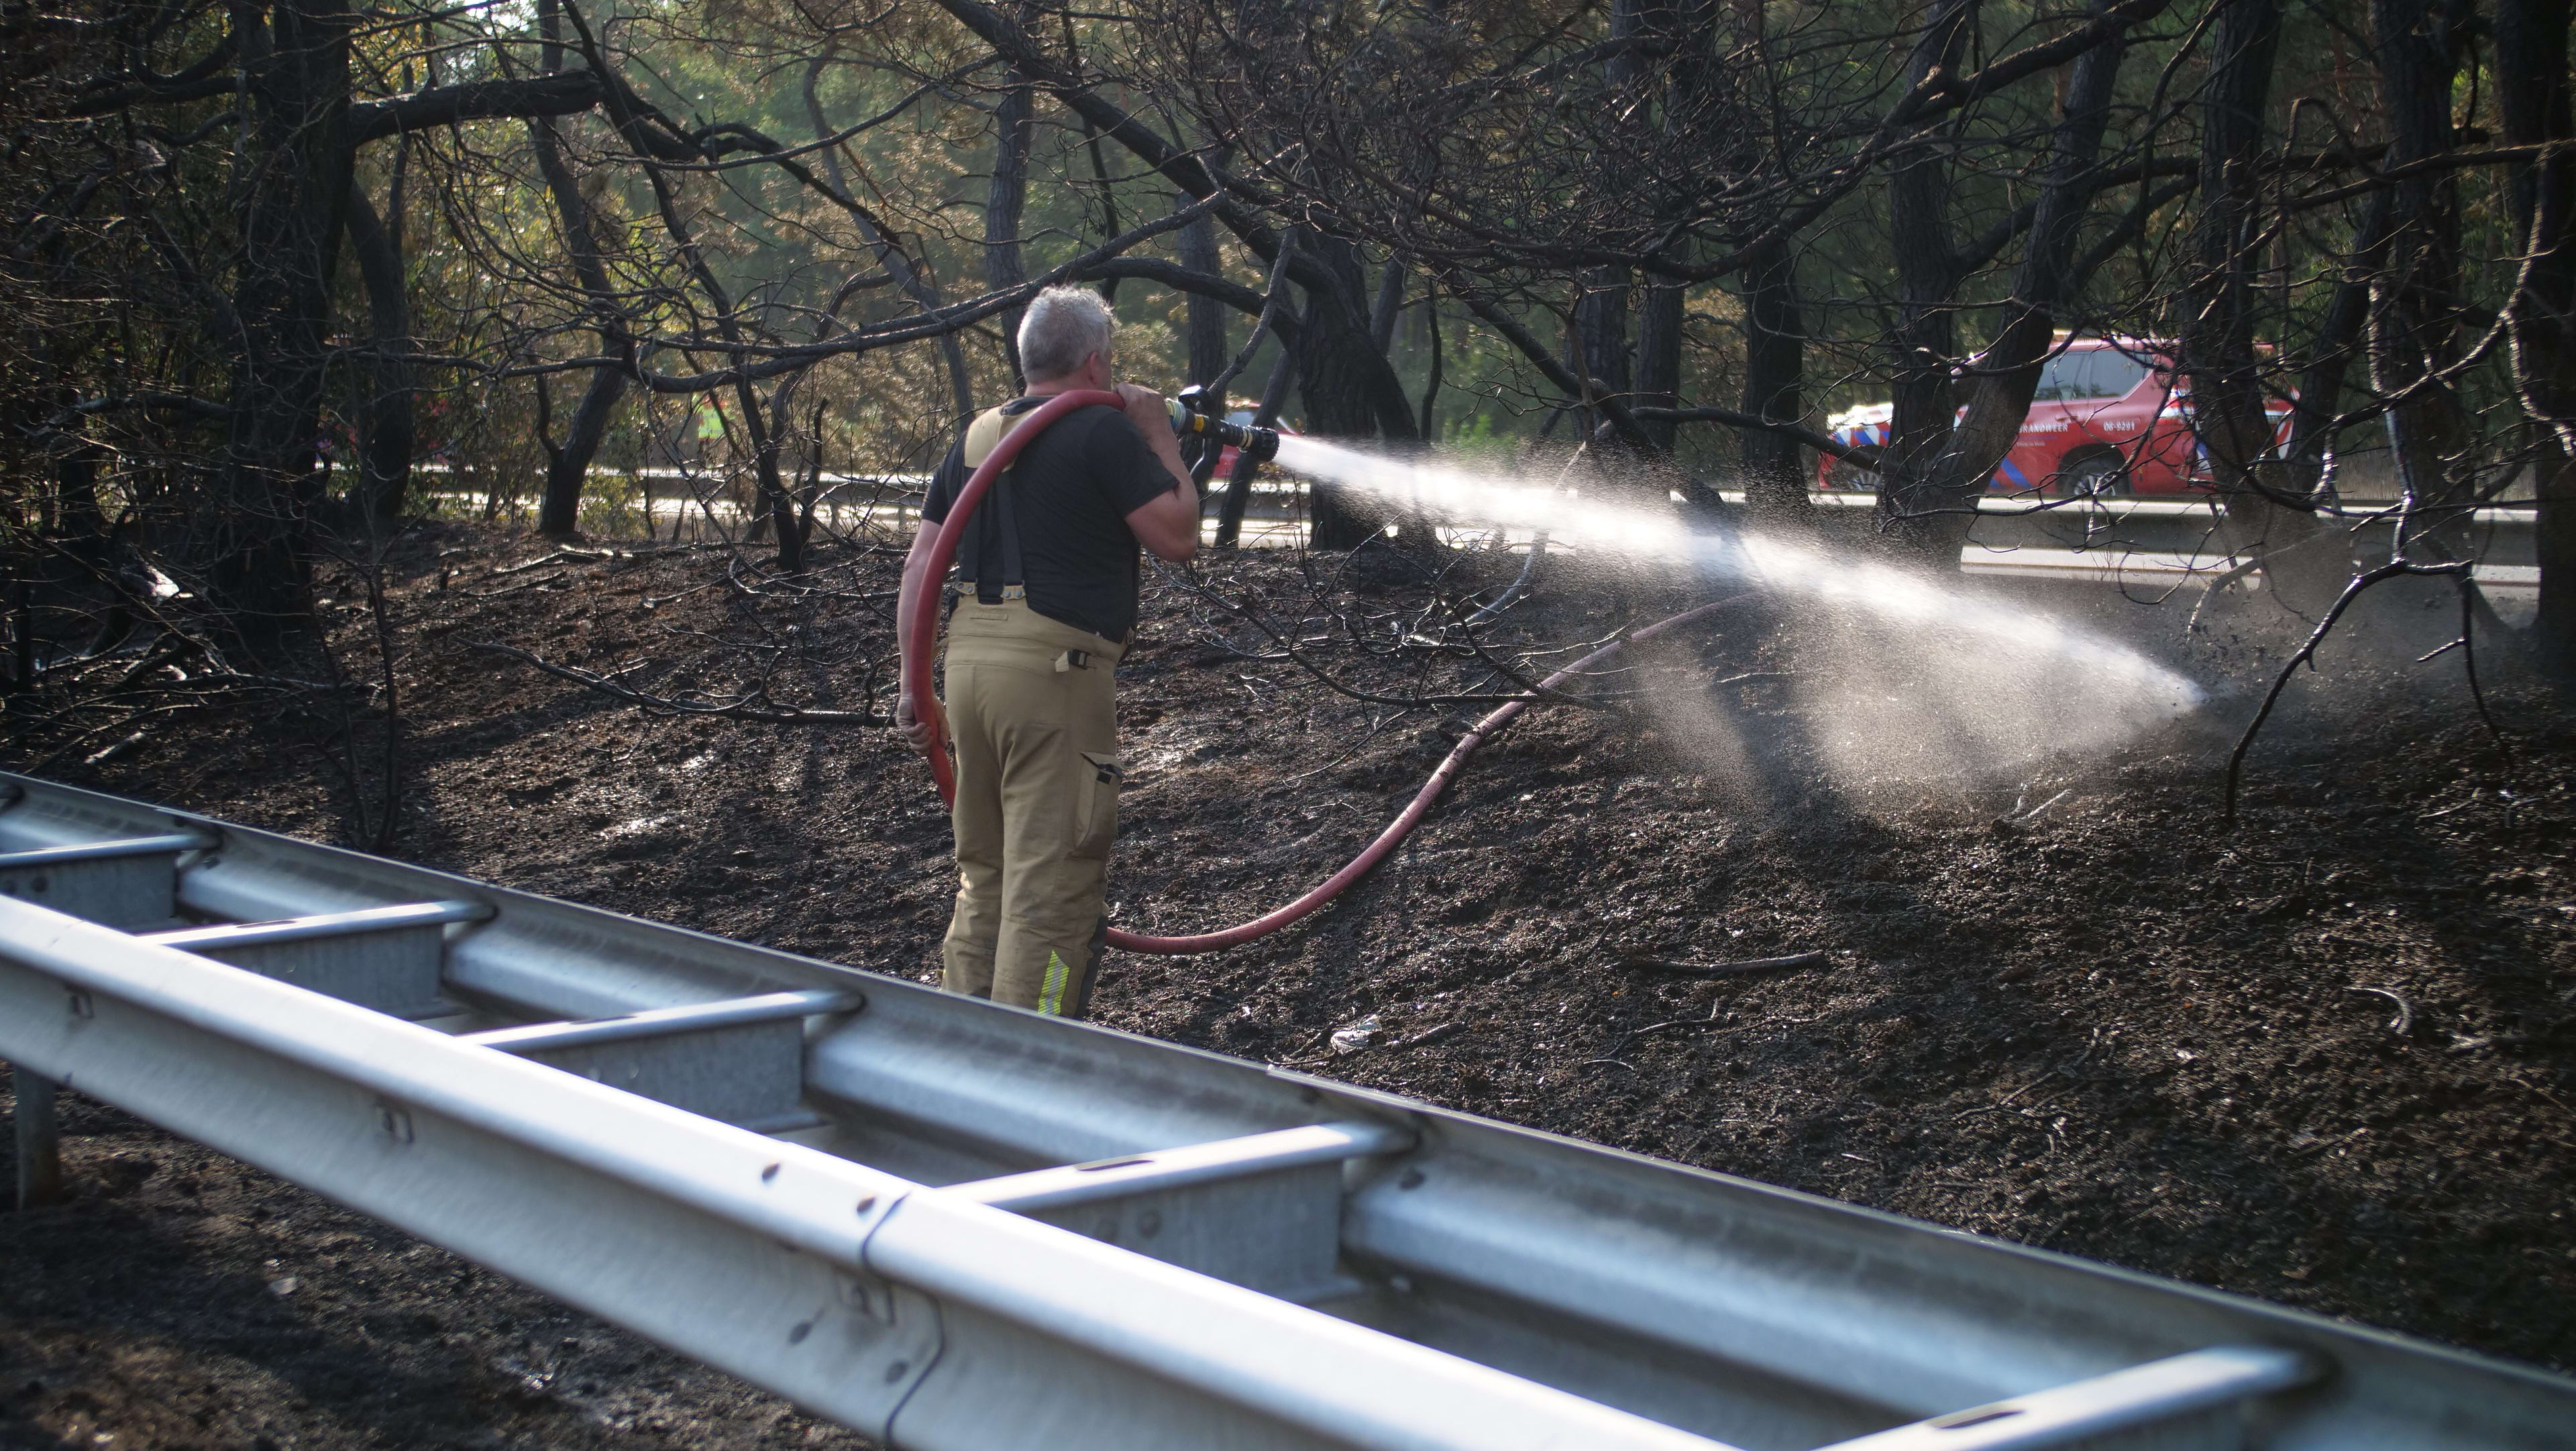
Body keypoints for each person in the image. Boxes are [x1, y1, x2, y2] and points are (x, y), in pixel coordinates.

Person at [893, 286, 1200, 1018]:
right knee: (1054, 880)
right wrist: (1159, 433)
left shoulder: (977, 435)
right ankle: (1031, 1064)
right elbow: (1178, 536)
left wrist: (914, 686)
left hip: (966, 672)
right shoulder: (1104, 433)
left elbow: (920, 565)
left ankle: (961, 1055)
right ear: (1096, 360)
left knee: (987, 876)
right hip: (1054, 678)